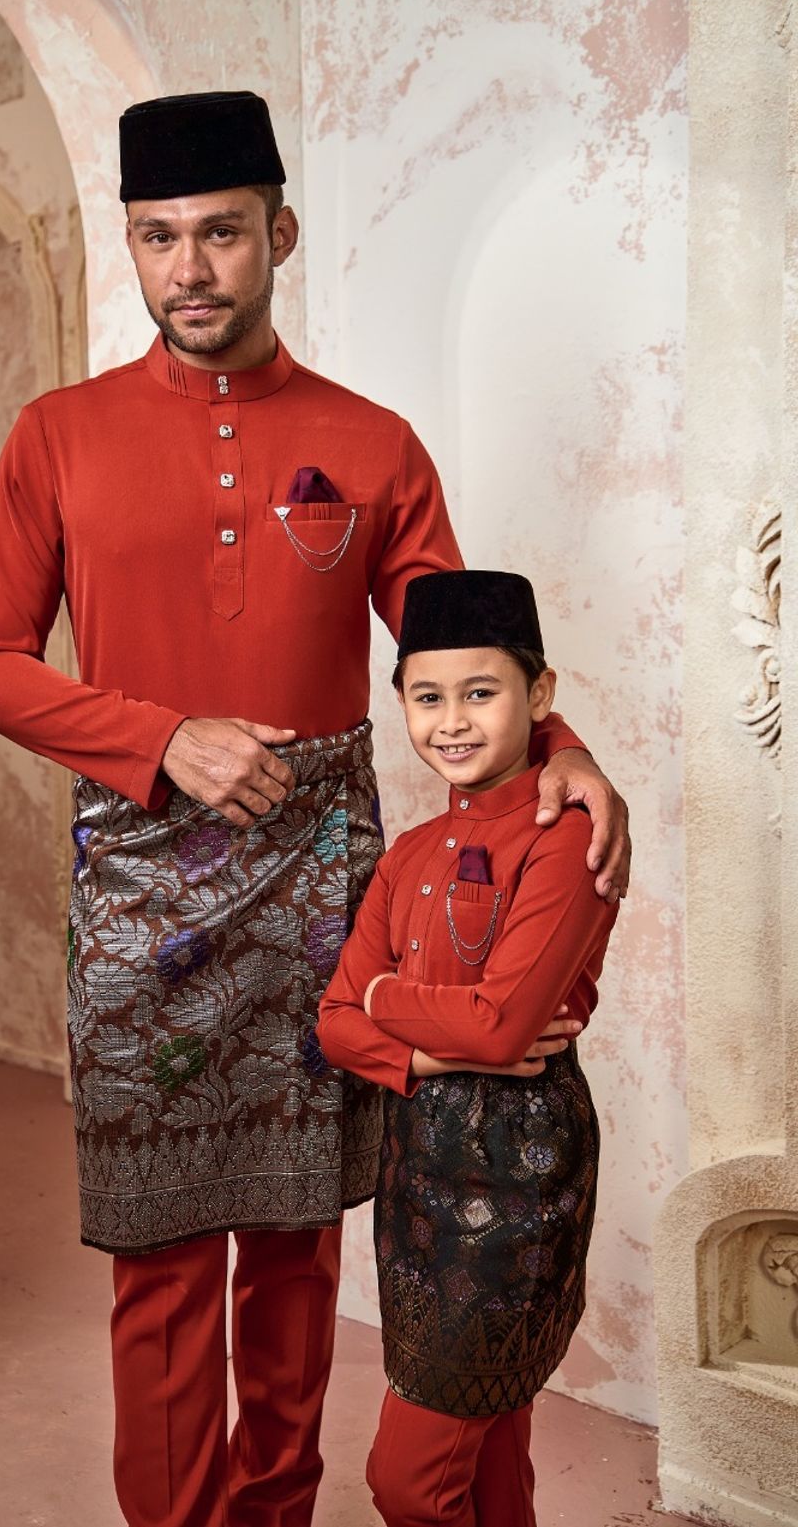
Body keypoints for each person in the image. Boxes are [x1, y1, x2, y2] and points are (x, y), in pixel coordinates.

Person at [0, 91, 630, 1527]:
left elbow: (454, 644)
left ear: (281, 234)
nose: (189, 268)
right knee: (159, 1254)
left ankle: (273, 1511)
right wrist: (160, 738)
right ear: (132, 247)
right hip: (137, 886)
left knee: (295, 1239)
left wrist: (561, 742)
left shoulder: (370, 443)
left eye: (219, 233)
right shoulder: (55, 436)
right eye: (158, 238)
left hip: (322, 878)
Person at [317, 569, 621, 1527]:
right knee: (489, 1455)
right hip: (417, 1173)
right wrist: (427, 1053)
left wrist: (384, 997)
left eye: (481, 692)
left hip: (519, 1174)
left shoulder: (567, 836)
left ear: (540, 693)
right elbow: (334, 1023)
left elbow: (502, 1025)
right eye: (427, 696)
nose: (452, 721)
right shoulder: (408, 854)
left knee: (411, 1480)